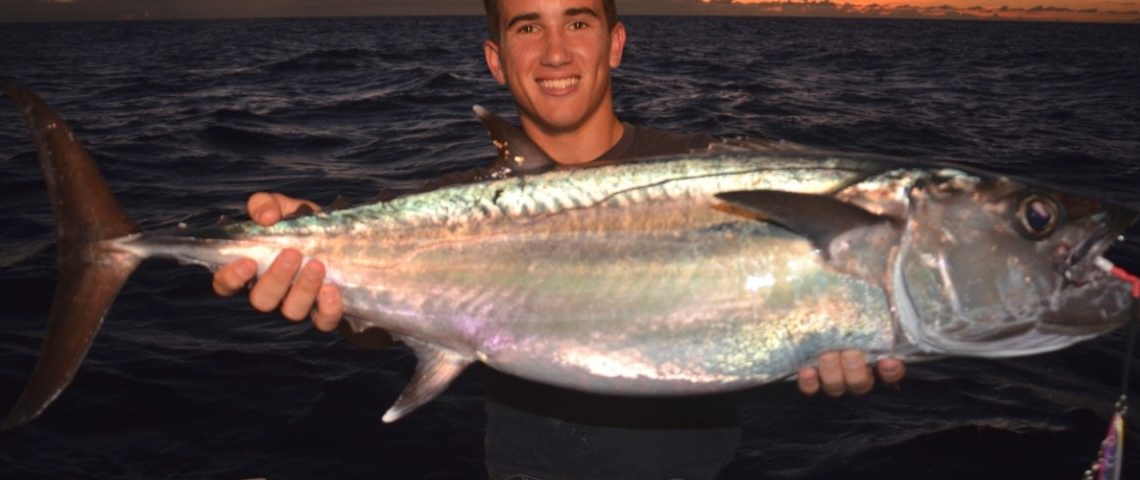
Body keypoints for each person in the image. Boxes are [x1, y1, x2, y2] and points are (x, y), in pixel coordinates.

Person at [212, 0, 906, 477]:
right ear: (494, 57)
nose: (553, 52)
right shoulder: (447, 206)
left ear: (615, 41)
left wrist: (838, 326)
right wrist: (317, 270)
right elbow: (386, 324)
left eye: (576, 21)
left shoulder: (712, 169)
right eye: (525, 28)